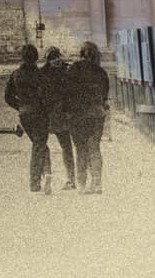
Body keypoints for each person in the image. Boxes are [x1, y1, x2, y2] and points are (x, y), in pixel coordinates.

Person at [4, 44, 50, 192]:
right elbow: (46, 95)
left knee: (40, 144)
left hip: (25, 114)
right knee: (39, 145)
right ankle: (36, 181)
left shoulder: (16, 74)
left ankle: (46, 172)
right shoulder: (40, 74)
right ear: (36, 57)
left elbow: (7, 97)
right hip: (39, 113)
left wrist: (20, 106)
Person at [67, 41, 110, 194]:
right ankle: (97, 183)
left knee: (80, 149)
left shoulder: (73, 69)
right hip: (96, 115)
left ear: (81, 54)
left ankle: (82, 184)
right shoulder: (101, 73)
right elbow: (104, 98)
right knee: (94, 148)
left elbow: (67, 94)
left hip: (78, 116)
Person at [41, 46, 76, 190]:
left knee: (42, 145)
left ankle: (47, 174)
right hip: (62, 114)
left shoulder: (42, 73)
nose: (56, 60)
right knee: (66, 146)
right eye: (53, 58)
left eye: (56, 57)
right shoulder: (66, 71)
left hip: (48, 114)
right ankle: (70, 178)